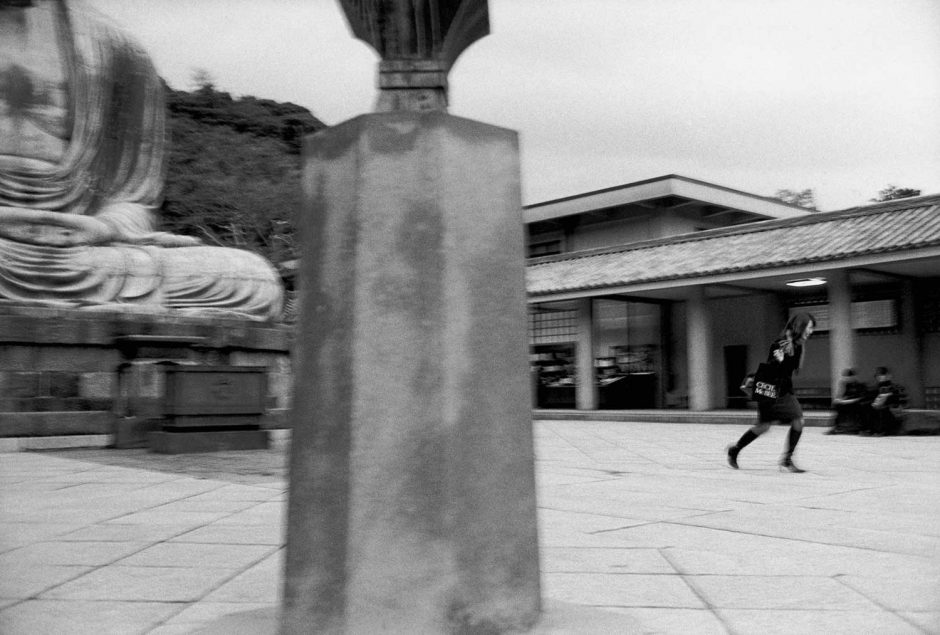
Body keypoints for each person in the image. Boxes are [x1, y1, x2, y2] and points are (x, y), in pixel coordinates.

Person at [0, 0, 282, 320]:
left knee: (250, 279)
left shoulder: (115, 47)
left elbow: (133, 202)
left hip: (82, 250)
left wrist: (102, 227)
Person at [726, 312, 816, 472]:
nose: (811, 331)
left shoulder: (798, 345)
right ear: (800, 326)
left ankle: (786, 459)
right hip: (771, 391)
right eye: (809, 327)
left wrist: (799, 347)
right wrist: (779, 359)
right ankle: (736, 450)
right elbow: (773, 367)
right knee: (764, 426)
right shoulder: (780, 344)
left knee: (794, 421)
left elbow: (795, 370)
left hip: (785, 390)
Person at [864, 366, 907, 436]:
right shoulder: (873, 389)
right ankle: (871, 429)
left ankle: (882, 430)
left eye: (883, 375)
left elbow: (901, 401)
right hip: (878, 409)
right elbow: (870, 400)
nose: (881, 377)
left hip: (892, 411)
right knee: (867, 407)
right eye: (879, 375)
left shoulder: (896, 388)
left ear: (889, 376)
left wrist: (888, 397)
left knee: (882, 409)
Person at [828, 368, 868, 434]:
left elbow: (860, 398)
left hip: (856, 403)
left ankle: (857, 427)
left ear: (853, 377)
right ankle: (838, 426)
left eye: (848, 377)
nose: (847, 379)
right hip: (847, 402)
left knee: (857, 407)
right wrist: (839, 399)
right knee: (837, 405)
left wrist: (846, 401)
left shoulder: (859, 386)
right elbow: (842, 395)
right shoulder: (846, 385)